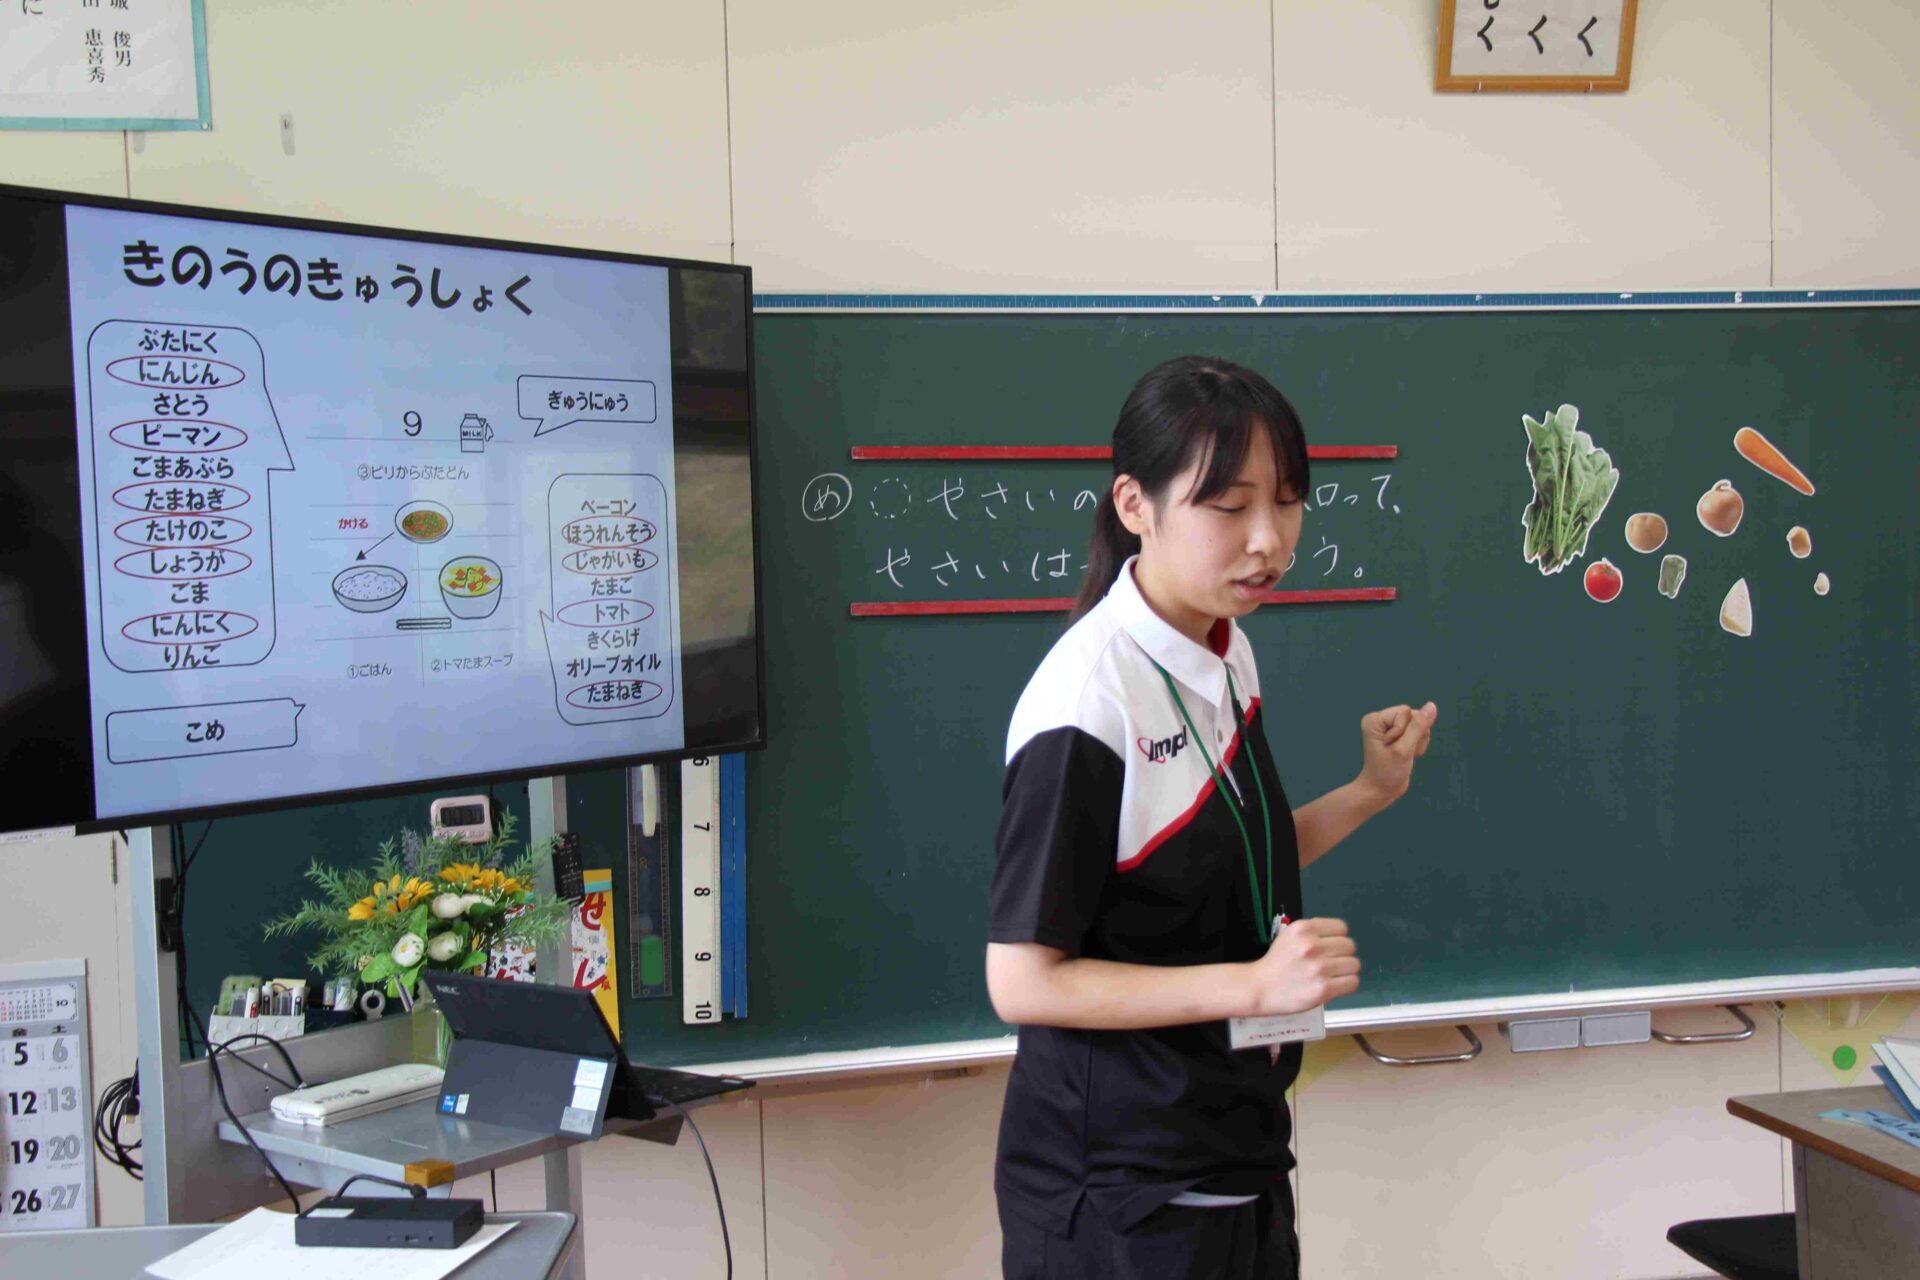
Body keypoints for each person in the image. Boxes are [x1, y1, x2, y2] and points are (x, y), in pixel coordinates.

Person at [986, 355, 1439, 1279]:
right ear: (1135, 504)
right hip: (1123, 1196)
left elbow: (1225, 862)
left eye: (1289, 501)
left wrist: (1368, 790)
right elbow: (1023, 983)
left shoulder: (1225, 652)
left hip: (1236, 1154)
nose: (1269, 540)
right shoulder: (1086, 704)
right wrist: (1253, 988)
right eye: (1229, 507)